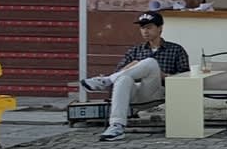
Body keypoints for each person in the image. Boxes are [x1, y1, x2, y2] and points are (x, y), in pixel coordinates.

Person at [79, 12, 191, 142]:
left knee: (150, 62)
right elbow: (119, 74)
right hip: (132, 92)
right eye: (142, 28)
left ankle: (107, 80)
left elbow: (185, 79)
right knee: (123, 78)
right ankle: (116, 126)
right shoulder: (135, 50)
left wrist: (162, 75)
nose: (145, 31)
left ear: (160, 28)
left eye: (149, 27)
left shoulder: (176, 50)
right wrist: (131, 66)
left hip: (157, 91)